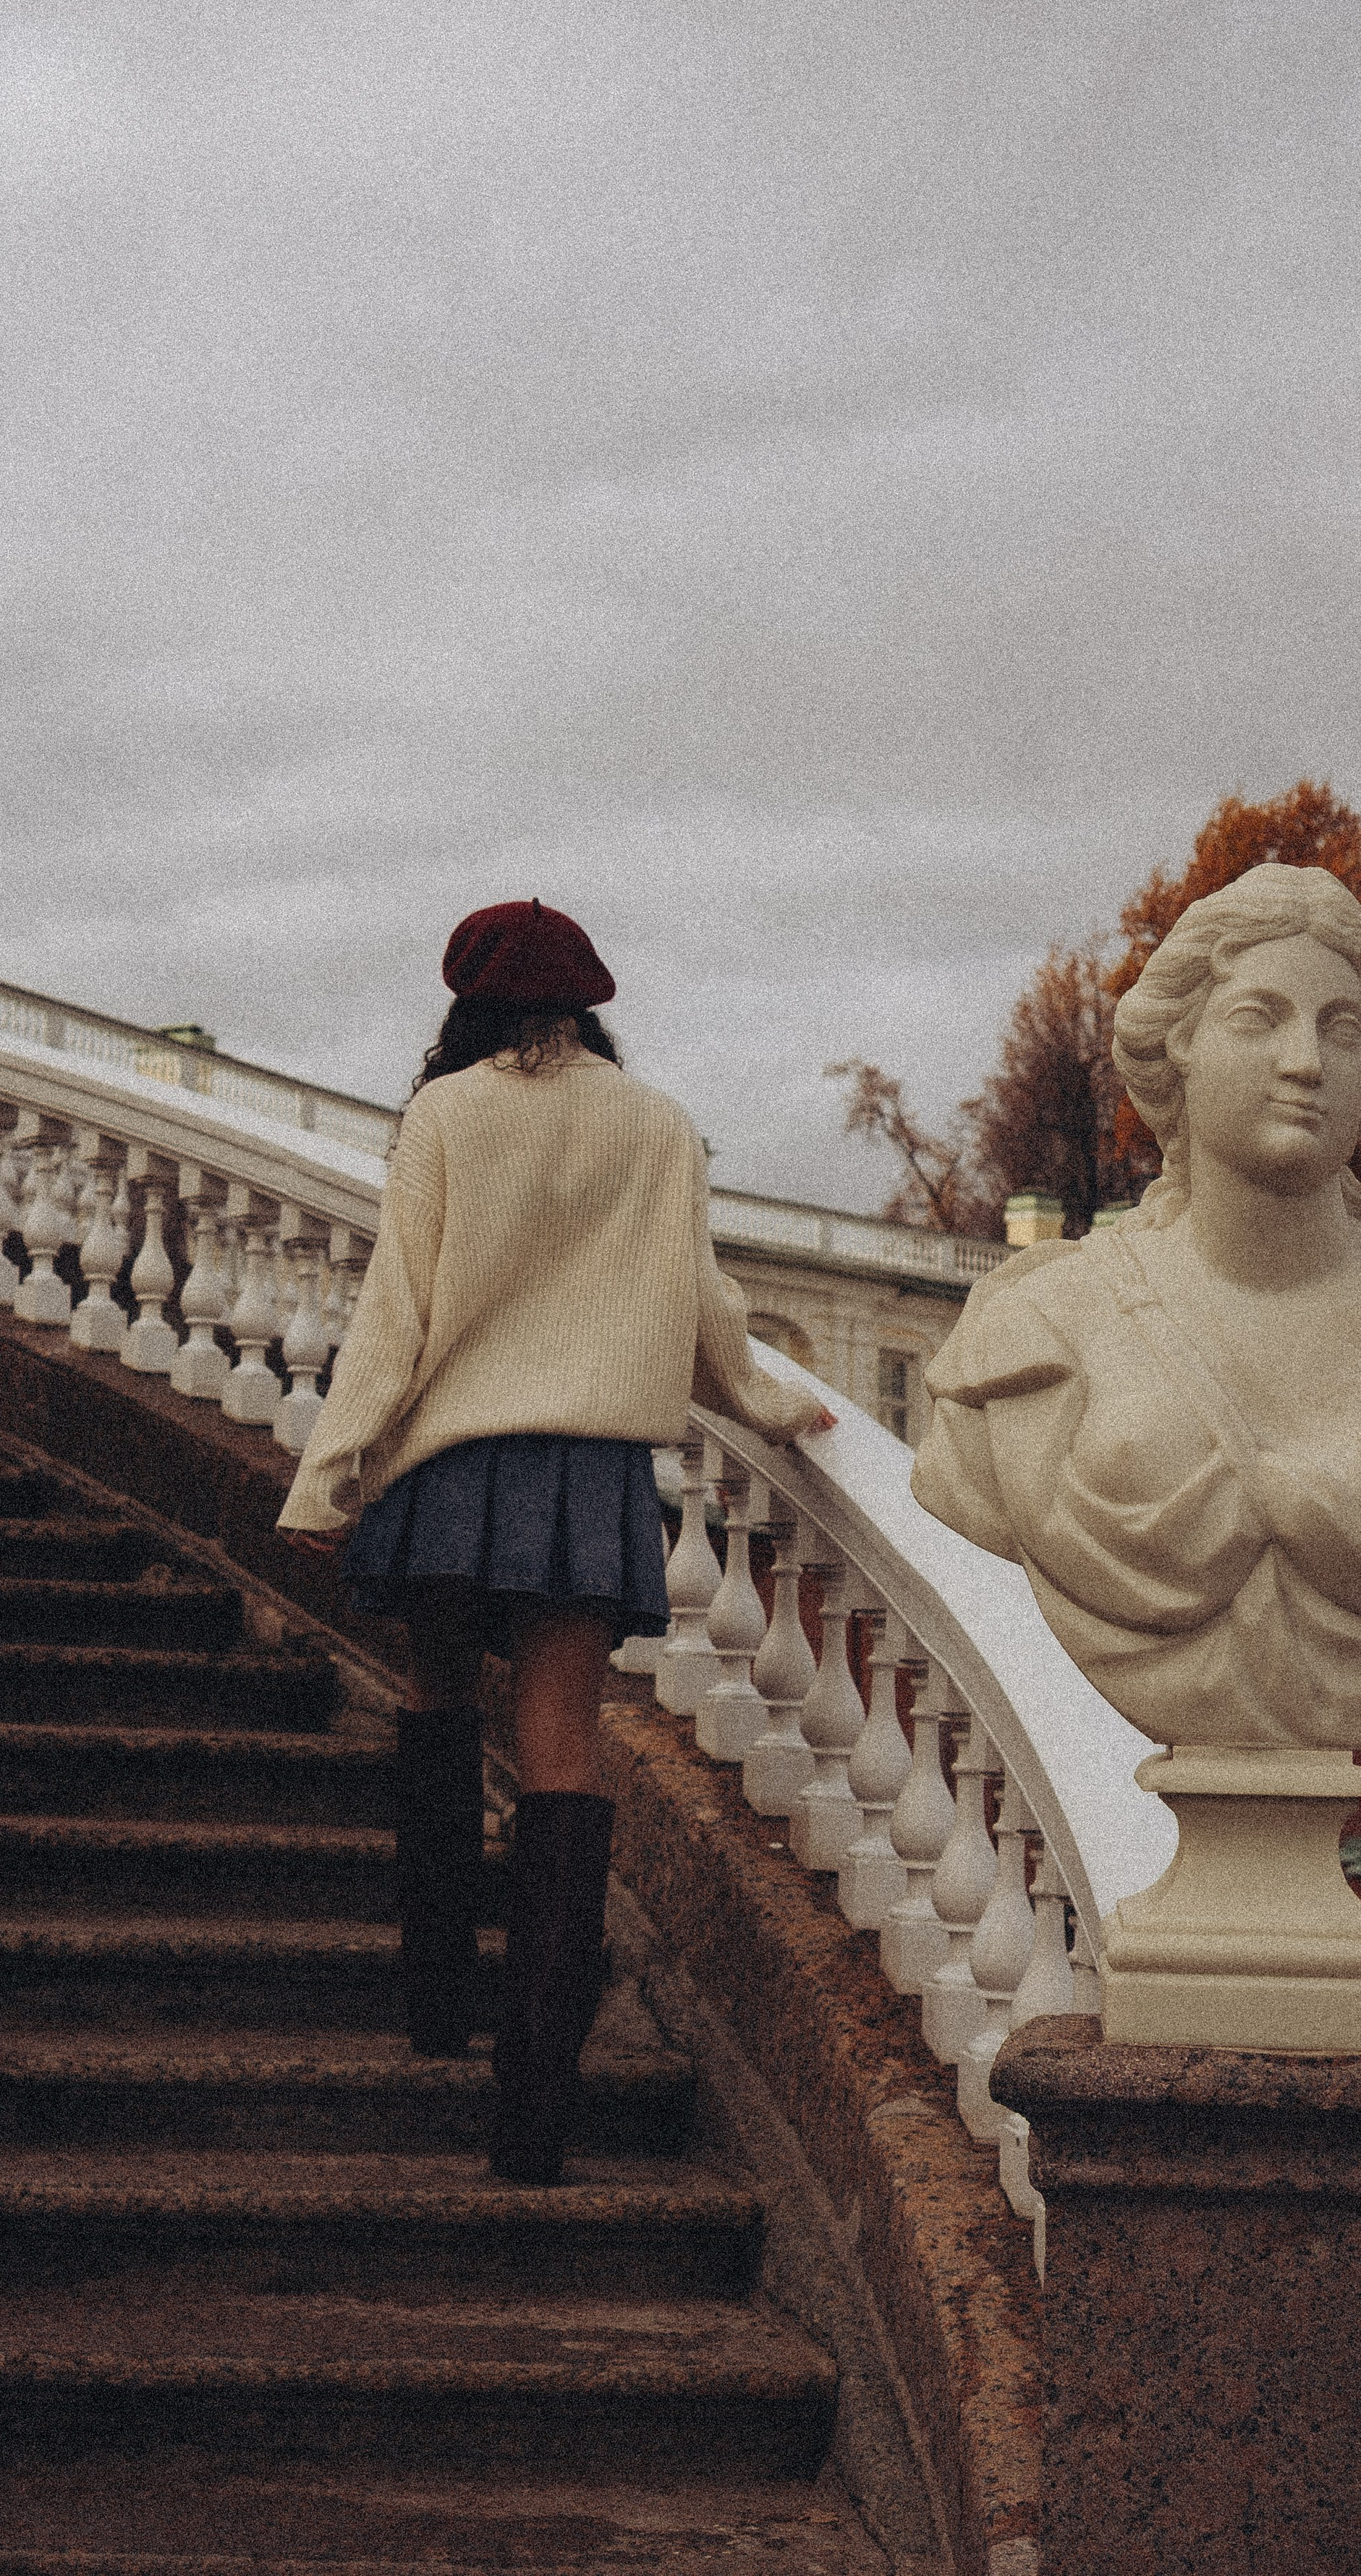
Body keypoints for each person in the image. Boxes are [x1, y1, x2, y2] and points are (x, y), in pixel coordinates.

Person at [279, 898, 834, 2183]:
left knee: (434, 1693)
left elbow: (394, 1319)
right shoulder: (658, 1128)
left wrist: (325, 1483)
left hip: (454, 1463)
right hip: (588, 1474)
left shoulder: (448, 1115)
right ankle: (534, 2116)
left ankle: (435, 2006)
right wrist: (768, 1400)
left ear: (467, 1002)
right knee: (564, 1752)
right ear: (589, 1003)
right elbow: (704, 1307)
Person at [913, 862, 1361, 1751]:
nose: (1305, 1062)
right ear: (1179, 1045)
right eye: (1256, 1018)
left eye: (1342, 1029)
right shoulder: (1041, 1329)